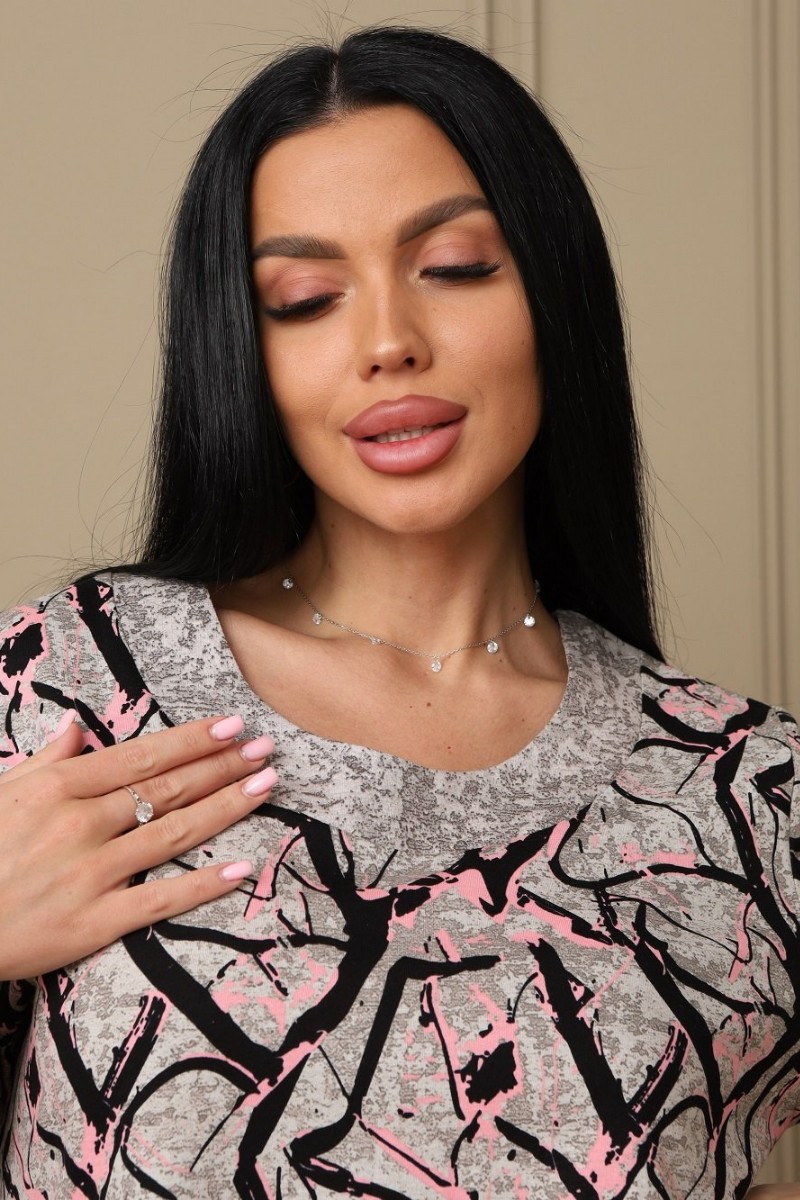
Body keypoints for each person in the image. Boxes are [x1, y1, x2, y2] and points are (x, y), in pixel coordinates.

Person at [0, 24, 798, 1199]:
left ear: (553, 292)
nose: (387, 342)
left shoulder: (750, 805)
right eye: (304, 299)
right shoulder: (66, 684)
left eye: (455, 267)